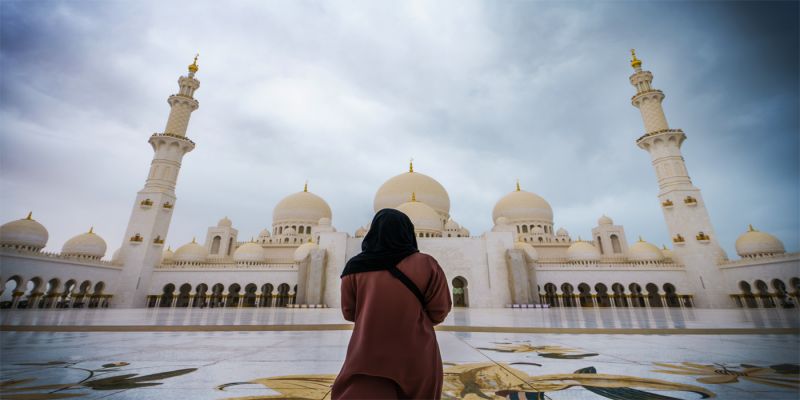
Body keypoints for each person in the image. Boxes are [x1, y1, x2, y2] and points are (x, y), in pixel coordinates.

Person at [332, 208, 452, 400]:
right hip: (417, 352)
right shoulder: (427, 264)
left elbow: (349, 312)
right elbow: (440, 310)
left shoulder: (354, 268)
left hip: (367, 353)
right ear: (408, 232)